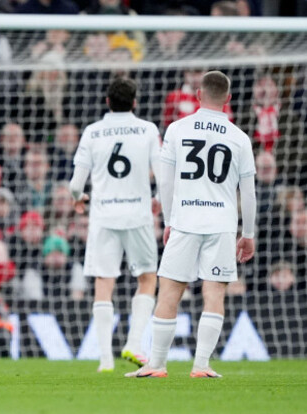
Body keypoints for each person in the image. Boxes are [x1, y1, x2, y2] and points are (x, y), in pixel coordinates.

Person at [127, 71, 256, 379]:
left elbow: (166, 181)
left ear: (198, 95)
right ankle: (201, 365)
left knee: (170, 291)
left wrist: (169, 220)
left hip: (185, 220)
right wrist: (247, 233)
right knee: (214, 294)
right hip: (222, 224)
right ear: (228, 99)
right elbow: (248, 193)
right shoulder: (239, 138)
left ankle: (157, 365)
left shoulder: (176, 129)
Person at [69, 77, 161, 373]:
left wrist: (79, 197)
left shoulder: (93, 131)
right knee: (147, 278)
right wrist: (159, 199)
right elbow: (161, 173)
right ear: (135, 102)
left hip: (104, 215)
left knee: (103, 282)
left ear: (107, 102)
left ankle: (105, 360)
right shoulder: (147, 129)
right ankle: (134, 343)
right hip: (138, 215)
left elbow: (75, 185)